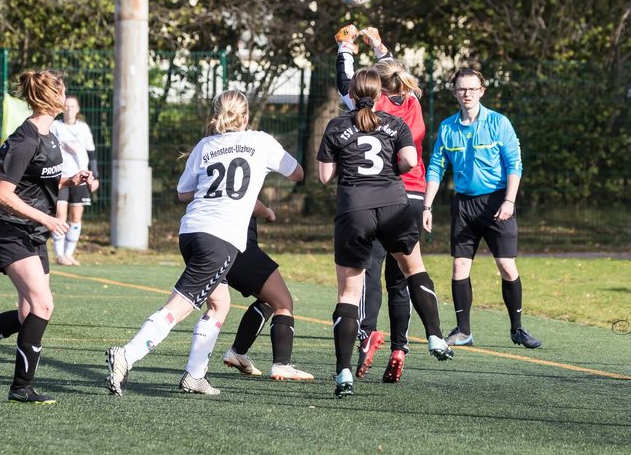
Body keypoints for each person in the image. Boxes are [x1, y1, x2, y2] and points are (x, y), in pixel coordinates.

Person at [106, 90, 304, 397]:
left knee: (219, 303)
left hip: (192, 232)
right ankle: (127, 355)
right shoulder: (261, 141)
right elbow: (297, 174)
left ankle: (195, 376)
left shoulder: (205, 145)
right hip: (221, 237)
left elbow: (183, 193)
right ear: (247, 117)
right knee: (178, 308)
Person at [0, 70, 93, 405]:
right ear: (51, 98)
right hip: (7, 228)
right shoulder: (25, 139)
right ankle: (21, 387)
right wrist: (47, 216)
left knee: (27, 313)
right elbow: (4, 194)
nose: (67, 97)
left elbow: (34, 185)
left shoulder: (50, 136)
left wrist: (68, 181)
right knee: (44, 305)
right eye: (62, 92)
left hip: (30, 230)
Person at [318, 67, 452, 398]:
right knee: (413, 270)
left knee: (349, 294)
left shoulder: (337, 126)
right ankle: (434, 335)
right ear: (380, 95)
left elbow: (324, 176)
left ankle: (344, 373)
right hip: (395, 205)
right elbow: (409, 160)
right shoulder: (395, 123)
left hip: (355, 210)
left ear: (351, 93)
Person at [423, 68, 541, 349]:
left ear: (482, 91)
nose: (467, 94)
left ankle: (517, 328)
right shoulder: (448, 127)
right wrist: (427, 206)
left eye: (472, 89)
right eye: (462, 89)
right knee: (459, 266)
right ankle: (463, 331)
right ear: (455, 93)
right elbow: (436, 167)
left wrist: (509, 201)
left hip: (497, 202)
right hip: (463, 204)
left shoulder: (499, 123)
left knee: (506, 266)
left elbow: (515, 165)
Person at [335, 25, 428, 383]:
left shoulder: (373, 107)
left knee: (367, 274)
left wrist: (346, 46)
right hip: (415, 195)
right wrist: (376, 44)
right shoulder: (413, 103)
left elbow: (347, 83)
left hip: (380, 196)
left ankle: (367, 334)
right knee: (402, 278)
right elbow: (390, 71)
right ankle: (400, 347)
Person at [219, 203, 314, 382]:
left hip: (206, 244)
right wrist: (267, 212)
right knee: (283, 303)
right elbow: (250, 199)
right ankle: (282, 365)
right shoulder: (247, 173)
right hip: (240, 248)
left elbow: (183, 193)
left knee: (268, 299)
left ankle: (237, 353)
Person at [51, 95, 97, 265]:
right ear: (62, 108)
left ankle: (69, 254)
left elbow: (91, 153)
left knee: (76, 216)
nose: (69, 109)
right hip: (62, 177)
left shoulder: (83, 128)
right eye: (66, 106)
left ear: (77, 109)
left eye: (72, 106)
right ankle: (59, 254)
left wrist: (95, 177)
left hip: (81, 177)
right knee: (60, 214)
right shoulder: (56, 126)